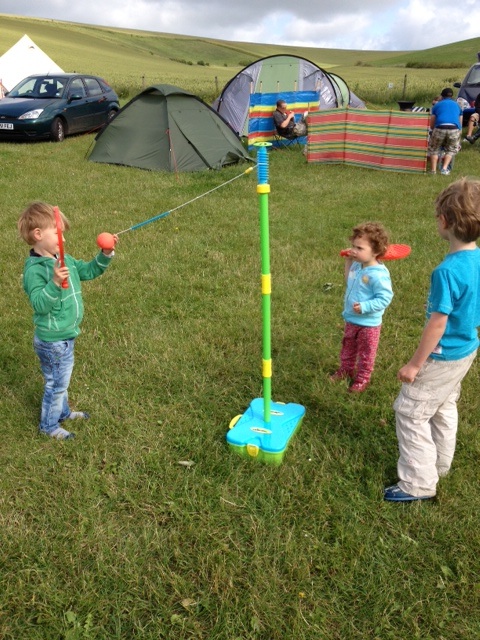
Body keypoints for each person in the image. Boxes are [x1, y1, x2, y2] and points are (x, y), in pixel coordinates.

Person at [385, 178, 480, 502]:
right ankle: (440, 463)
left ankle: (419, 483)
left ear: (444, 221)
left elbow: (438, 324)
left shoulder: (447, 271)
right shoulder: (477, 259)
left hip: (442, 356)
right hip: (467, 351)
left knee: (411, 412)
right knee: (443, 405)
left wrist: (415, 364)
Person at [17, 202, 118, 440]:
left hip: (66, 335)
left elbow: (89, 271)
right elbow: (40, 305)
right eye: (58, 233)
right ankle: (49, 426)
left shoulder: (65, 259)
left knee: (62, 380)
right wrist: (53, 282)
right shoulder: (35, 270)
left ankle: (62, 412)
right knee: (56, 384)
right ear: (38, 235)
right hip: (52, 340)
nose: (63, 239)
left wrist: (105, 254)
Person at [330, 222, 394, 393]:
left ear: (376, 252)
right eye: (353, 246)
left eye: (359, 248)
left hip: (369, 323)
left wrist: (366, 306)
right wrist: (349, 261)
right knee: (348, 346)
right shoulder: (358, 266)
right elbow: (348, 281)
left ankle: (362, 378)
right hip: (351, 318)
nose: (354, 250)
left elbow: (385, 297)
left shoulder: (378, 275)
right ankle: (346, 369)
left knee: (366, 353)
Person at [428, 87, 463, 176]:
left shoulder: (437, 105)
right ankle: (444, 169)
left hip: (440, 127)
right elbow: (460, 121)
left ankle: (433, 171)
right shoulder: (457, 105)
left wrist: (432, 130)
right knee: (450, 149)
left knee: (434, 149)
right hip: (454, 128)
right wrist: (459, 130)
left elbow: (432, 122)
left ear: (442, 96)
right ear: (452, 96)